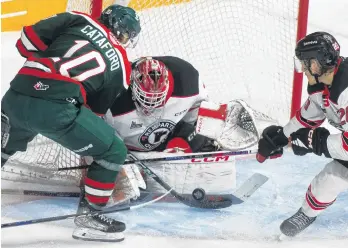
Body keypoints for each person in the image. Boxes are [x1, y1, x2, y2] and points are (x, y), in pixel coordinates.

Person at [1, 4, 141, 242]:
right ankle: (90, 216)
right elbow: (94, 113)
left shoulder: (78, 18)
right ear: (123, 34)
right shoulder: (121, 63)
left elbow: (24, 43)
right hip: (55, 108)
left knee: (3, 147)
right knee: (113, 150)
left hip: (15, 96)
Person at [103, 56, 262, 204]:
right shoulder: (112, 98)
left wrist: (214, 133)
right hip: (128, 150)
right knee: (117, 175)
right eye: (146, 99)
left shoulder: (187, 80)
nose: (151, 105)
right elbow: (101, 141)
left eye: (157, 99)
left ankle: (200, 180)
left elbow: (200, 115)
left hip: (166, 137)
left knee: (203, 137)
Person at [256, 31, 348, 237]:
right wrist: (281, 136)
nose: (303, 69)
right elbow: (308, 117)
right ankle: (307, 213)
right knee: (330, 177)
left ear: (320, 61)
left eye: (306, 63)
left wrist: (315, 142)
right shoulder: (323, 85)